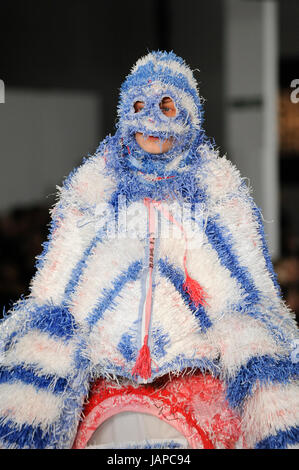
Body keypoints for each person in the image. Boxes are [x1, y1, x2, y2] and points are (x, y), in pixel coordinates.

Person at [0, 51, 298, 449]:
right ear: (125, 112)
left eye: (167, 105)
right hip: (102, 388)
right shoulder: (94, 183)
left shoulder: (218, 186)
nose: (153, 120)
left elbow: (248, 294)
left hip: (198, 384)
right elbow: (56, 288)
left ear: (189, 112)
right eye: (140, 106)